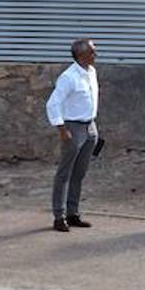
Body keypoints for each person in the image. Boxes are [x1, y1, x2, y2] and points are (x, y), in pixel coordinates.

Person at [45, 38, 100, 233]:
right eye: (92, 52)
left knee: (79, 173)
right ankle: (58, 216)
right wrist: (62, 129)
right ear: (80, 55)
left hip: (89, 126)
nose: (96, 55)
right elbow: (53, 103)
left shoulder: (91, 72)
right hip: (73, 127)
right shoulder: (69, 77)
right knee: (64, 174)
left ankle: (73, 213)